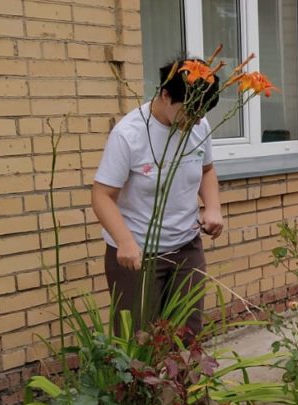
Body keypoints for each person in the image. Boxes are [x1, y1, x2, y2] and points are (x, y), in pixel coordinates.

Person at [92, 58, 224, 339]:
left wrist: (213, 207)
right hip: (138, 254)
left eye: (202, 114)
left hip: (186, 248)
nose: (196, 121)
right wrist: (125, 241)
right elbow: (102, 195)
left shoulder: (198, 124)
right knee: (138, 343)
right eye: (190, 112)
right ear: (165, 95)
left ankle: (182, 386)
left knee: (186, 337)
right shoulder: (129, 135)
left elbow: (207, 169)